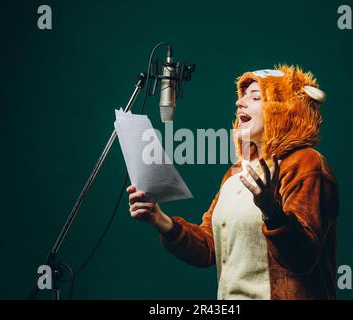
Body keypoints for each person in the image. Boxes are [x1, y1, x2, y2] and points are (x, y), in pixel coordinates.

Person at [126, 65, 339, 300]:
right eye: (242, 96)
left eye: (256, 97)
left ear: (284, 110)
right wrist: (161, 220)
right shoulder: (236, 173)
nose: (240, 103)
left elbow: (304, 259)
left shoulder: (306, 163)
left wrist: (271, 210)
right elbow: (209, 248)